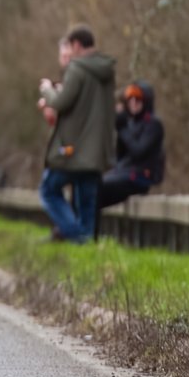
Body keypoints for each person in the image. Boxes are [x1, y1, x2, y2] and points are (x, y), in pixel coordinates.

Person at [37, 24, 116, 244]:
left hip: (74, 148)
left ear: (77, 44)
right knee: (87, 201)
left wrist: (47, 89)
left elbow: (61, 103)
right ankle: (86, 242)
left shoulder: (77, 69)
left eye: (70, 47)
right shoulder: (105, 71)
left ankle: (75, 236)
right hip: (96, 150)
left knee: (48, 190)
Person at [97, 81, 165, 212]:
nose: (133, 102)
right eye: (130, 98)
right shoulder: (130, 123)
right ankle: (81, 228)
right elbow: (120, 157)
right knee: (88, 187)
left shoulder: (153, 124)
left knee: (98, 188)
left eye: (138, 98)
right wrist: (119, 125)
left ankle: (83, 228)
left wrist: (122, 129)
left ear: (146, 100)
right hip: (124, 172)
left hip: (140, 177)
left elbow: (139, 152)